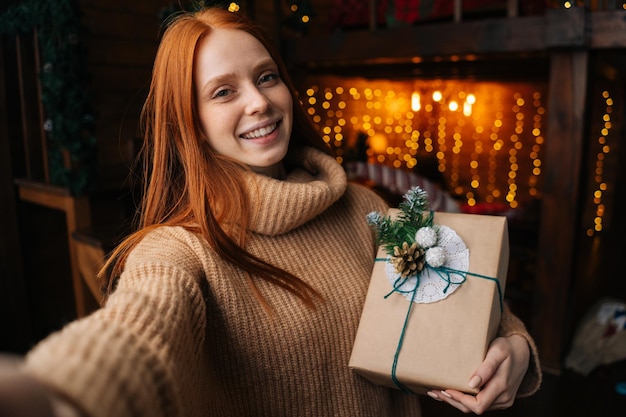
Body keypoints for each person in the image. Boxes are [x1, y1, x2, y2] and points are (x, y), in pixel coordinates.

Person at [0, 6, 542, 417]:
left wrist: (514, 344)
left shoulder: (362, 207)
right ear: (189, 121)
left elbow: (457, 283)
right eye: (223, 92)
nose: (257, 102)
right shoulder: (177, 251)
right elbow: (135, 337)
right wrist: (54, 392)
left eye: (265, 77)